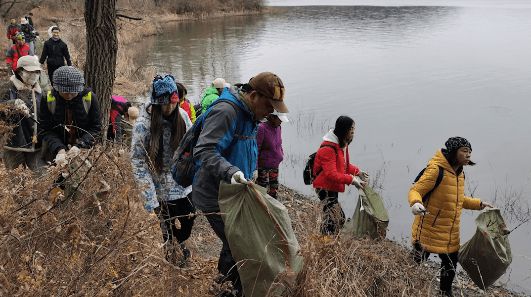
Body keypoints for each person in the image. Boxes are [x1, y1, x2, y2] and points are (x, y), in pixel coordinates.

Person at [193, 72, 287, 297]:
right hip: (214, 194)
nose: (271, 112)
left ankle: (230, 287)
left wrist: (248, 171)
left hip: (234, 192)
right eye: (269, 105)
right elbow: (204, 150)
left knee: (236, 242)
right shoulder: (226, 112)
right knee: (238, 242)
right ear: (253, 95)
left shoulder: (251, 114)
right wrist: (232, 171)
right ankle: (226, 289)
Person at [409, 137, 493, 297]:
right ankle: (405, 286)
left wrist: (479, 204)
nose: (468, 155)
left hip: (450, 232)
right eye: (464, 151)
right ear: (454, 152)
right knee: (416, 262)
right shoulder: (435, 170)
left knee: (451, 263)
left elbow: (458, 199)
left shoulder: (460, 174)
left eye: (470, 152)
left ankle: (444, 292)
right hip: (428, 229)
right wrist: (415, 203)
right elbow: (416, 190)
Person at [131, 74, 195, 266]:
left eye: (172, 104)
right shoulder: (144, 124)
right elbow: (138, 160)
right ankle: (173, 261)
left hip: (184, 186)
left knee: (187, 223)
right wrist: (149, 196)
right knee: (166, 229)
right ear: (156, 103)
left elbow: (193, 144)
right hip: (160, 190)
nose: (169, 108)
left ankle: (181, 245)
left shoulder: (183, 116)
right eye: (164, 104)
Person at [312, 116, 368, 235]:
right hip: (324, 188)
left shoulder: (342, 145)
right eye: (351, 129)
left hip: (332, 186)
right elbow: (331, 174)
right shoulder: (328, 148)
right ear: (344, 130)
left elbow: (344, 166)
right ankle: (325, 242)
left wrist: (358, 173)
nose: (353, 132)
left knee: (334, 217)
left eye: (354, 128)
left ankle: (327, 241)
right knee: (336, 218)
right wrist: (352, 180)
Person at [39, 66, 101, 164]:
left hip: (84, 150)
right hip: (55, 151)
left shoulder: (89, 98)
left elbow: (95, 128)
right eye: (64, 92)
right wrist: (59, 148)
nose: (69, 96)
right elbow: (45, 129)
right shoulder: (48, 99)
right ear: (56, 88)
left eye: (73, 92)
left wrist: (81, 145)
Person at [0, 55, 43, 170]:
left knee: (42, 175)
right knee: (16, 179)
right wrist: (12, 104)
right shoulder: (7, 87)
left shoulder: (41, 90)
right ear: (20, 71)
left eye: (37, 72)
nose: (34, 75)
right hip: (13, 143)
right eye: (30, 71)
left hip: (36, 142)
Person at [256, 112, 289, 198]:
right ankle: (261, 208)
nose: (281, 122)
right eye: (280, 120)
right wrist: (255, 167)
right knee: (262, 190)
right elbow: (257, 148)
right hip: (263, 166)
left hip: (275, 165)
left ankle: (272, 208)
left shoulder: (278, 127)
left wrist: (281, 153)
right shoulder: (262, 128)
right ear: (273, 117)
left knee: (274, 189)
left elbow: (279, 143)